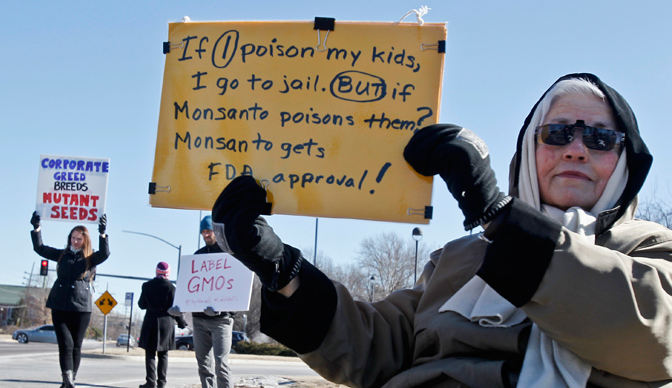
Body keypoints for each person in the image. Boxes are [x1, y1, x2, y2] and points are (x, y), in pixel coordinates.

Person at [209, 73, 672, 388]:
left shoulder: (649, 248)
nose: (576, 149)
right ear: (530, 151)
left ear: (625, 160)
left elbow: (650, 338)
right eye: (556, 134)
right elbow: (379, 347)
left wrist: (497, 214)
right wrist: (282, 270)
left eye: (599, 137)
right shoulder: (456, 259)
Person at [30, 211, 110, 388]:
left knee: (75, 346)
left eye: (79, 239)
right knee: (65, 344)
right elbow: (40, 248)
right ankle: (68, 380)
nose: (75, 241)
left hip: (81, 308)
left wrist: (102, 233)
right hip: (59, 305)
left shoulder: (90, 258)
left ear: (85, 241)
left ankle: (69, 381)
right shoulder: (62, 255)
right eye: (73, 238)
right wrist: (36, 228)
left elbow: (105, 254)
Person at [191, 215, 235, 388]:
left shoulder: (229, 255)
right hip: (199, 320)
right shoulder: (197, 256)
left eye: (208, 230)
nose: (205, 235)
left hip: (221, 320)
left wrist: (222, 308)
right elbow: (190, 288)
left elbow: (237, 290)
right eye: (203, 232)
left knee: (221, 364)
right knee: (203, 364)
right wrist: (180, 306)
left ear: (215, 231)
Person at [138, 261, 187, 388]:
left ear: (156, 272)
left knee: (150, 353)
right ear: (168, 273)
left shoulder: (146, 286)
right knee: (163, 354)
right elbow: (175, 309)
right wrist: (181, 322)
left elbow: (141, 305)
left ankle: (150, 382)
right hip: (166, 323)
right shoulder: (172, 288)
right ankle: (162, 383)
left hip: (151, 322)